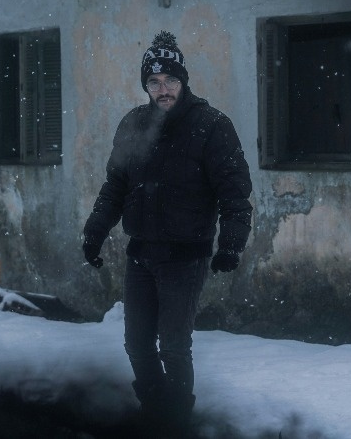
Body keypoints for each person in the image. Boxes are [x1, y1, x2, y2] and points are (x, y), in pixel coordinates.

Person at [82, 30, 253, 433]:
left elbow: (234, 191)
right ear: (146, 85)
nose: (163, 89)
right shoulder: (133, 124)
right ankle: (156, 414)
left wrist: (230, 244)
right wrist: (95, 232)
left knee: (174, 347)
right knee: (137, 344)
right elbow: (115, 186)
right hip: (141, 255)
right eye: (154, 82)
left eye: (171, 80)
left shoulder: (211, 125)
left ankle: (177, 423)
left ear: (183, 81)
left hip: (185, 257)